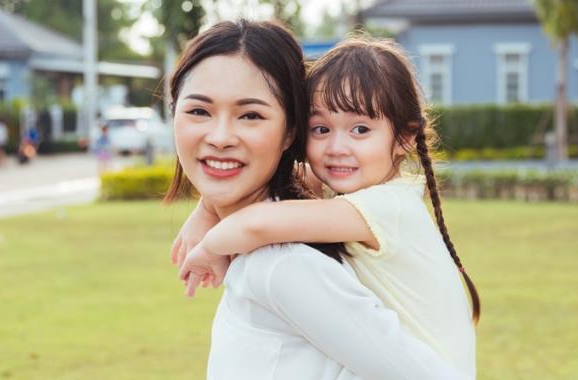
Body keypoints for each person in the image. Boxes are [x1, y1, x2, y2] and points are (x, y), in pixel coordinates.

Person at [166, 20, 464, 379]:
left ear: (290, 130)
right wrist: (207, 210)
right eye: (199, 110)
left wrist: (211, 244)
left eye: (251, 115)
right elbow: (298, 178)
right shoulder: (338, 206)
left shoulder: (283, 265)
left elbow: (260, 222)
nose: (220, 137)